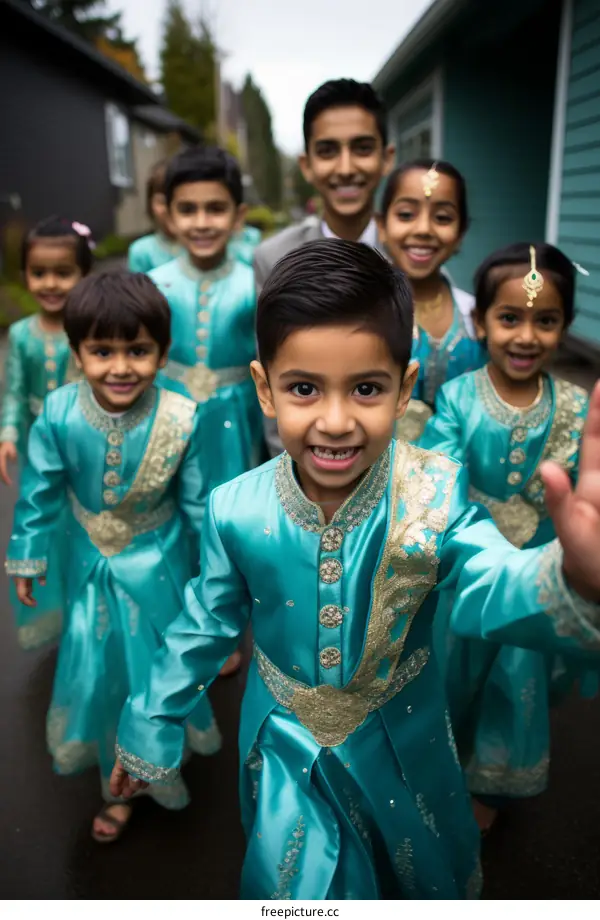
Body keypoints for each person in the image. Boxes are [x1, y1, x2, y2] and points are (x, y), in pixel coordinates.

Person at [111, 240, 600, 899]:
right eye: (304, 388)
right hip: (285, 744)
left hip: (406, 741)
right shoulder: (234, 508)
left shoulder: (432, 496)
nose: (335, 423)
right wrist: (150, 720)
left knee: (412, 873)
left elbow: (493, 578)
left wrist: (573, 577)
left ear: (403, 387)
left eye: (366, 388)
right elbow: (204, 624)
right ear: (264, 388)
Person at [5, 272, 220, 844]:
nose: (120, 367)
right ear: (76, 353)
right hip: (85, 567)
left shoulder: (183, 416)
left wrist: (214, 581)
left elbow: (201, 507)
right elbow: (40, 491)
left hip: (161, 569)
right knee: (97, 670)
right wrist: (27, 556)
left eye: (138, 350)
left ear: (163, 351)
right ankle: (115, 786)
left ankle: (156, 768)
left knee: (156, 672)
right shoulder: (57, 413)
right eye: (102, 351)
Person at [419, 242, 591, 832]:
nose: (525, 336)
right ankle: (439, 768)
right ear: (481, 321)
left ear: (565, 326)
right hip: (465, 564)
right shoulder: (460, 396)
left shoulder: (574, 404)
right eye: (510, 317)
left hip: (537, 567)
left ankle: (492, 783)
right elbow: (441, 473)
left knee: (516, 677)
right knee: (451, 671)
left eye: (545, 321)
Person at [150, 145, 262, 675]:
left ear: (238, 216)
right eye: (187, 209)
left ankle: (228, 631)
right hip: (168, 417)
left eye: (215, 209)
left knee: (227, 522)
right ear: (167, 214)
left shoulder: (254, 283)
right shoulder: (156, 283)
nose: (201, 222)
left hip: (233, 421)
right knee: (174, 518)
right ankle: (177, 623)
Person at [254, 78, 395, 457]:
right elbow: (275, 377)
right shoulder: (274, 258)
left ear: (387, 157)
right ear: (307, 164)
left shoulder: (410, 252)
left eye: (362, 148)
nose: (346, 168)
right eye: (328, 150)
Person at [0, 216, 93, 648]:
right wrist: (7, 435)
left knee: (88, 522)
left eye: (63, 272)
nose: (50, 283)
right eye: (39, 273)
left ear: (83, 274)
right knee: (48, 525)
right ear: (25, 276)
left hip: (85, 445)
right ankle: (61, 610)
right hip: (42, 448)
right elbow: (15, 392)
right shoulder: (21, 335)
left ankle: (95, 605)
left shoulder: (90, 330)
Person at [377, 160, 484, 441]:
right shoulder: (360, 313)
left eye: (443, 218)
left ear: (461, 233)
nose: (424, 229)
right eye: (406, 214)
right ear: (381, 226)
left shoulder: (478, 315)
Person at [127, 159, 181, 273]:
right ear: (150, 204)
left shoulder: (203, 245)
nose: (169, 209)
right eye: (162, 202)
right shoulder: (142, 251)